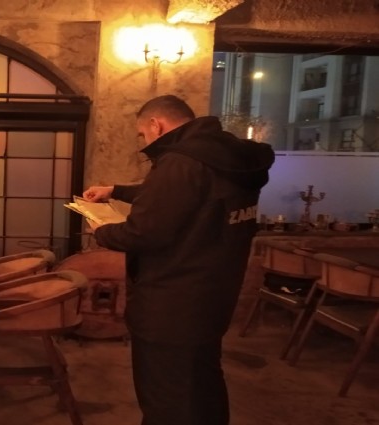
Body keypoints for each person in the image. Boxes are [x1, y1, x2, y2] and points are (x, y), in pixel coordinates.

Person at [83, 95, 274, 425]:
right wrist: (115, 190)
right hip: (212, 297)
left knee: (166, 396)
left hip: (170, 304)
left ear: (155, 125)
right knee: (203, 385)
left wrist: (101, 231)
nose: (144, 141)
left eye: (142, 134)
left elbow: (142, 233)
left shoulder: (181, 161)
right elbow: (180, 197)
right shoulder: (228, 157)